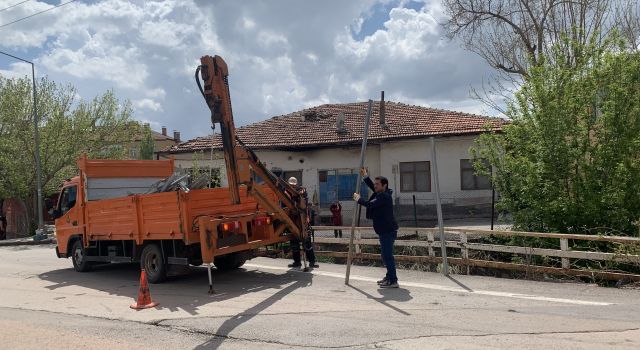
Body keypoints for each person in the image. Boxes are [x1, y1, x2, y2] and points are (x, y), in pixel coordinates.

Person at [353, 168, 399, 288]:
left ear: (384, 185)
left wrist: (359, 200)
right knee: (385, 256)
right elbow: (372, 187)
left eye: (377, 184)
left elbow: (370, 204)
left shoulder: (383, 196)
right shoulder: (382, 193)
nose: (375, 186)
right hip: (385, 230)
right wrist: (365, 177)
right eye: (375, 184)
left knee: (387, 256)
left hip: (387, 231)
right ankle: (389, 277)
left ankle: (393, 280)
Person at [287, 177, 319, 269]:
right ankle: (297, 262)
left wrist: (300, 193)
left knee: (307, 243)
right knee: (294, 244)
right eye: (291, 185)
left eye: (293, 185)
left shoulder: (302, 192)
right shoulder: (286, 193)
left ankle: (312, 261)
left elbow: (304, 200)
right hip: (293, 222)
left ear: (296, 184)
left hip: (303, 221)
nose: (292, 187)